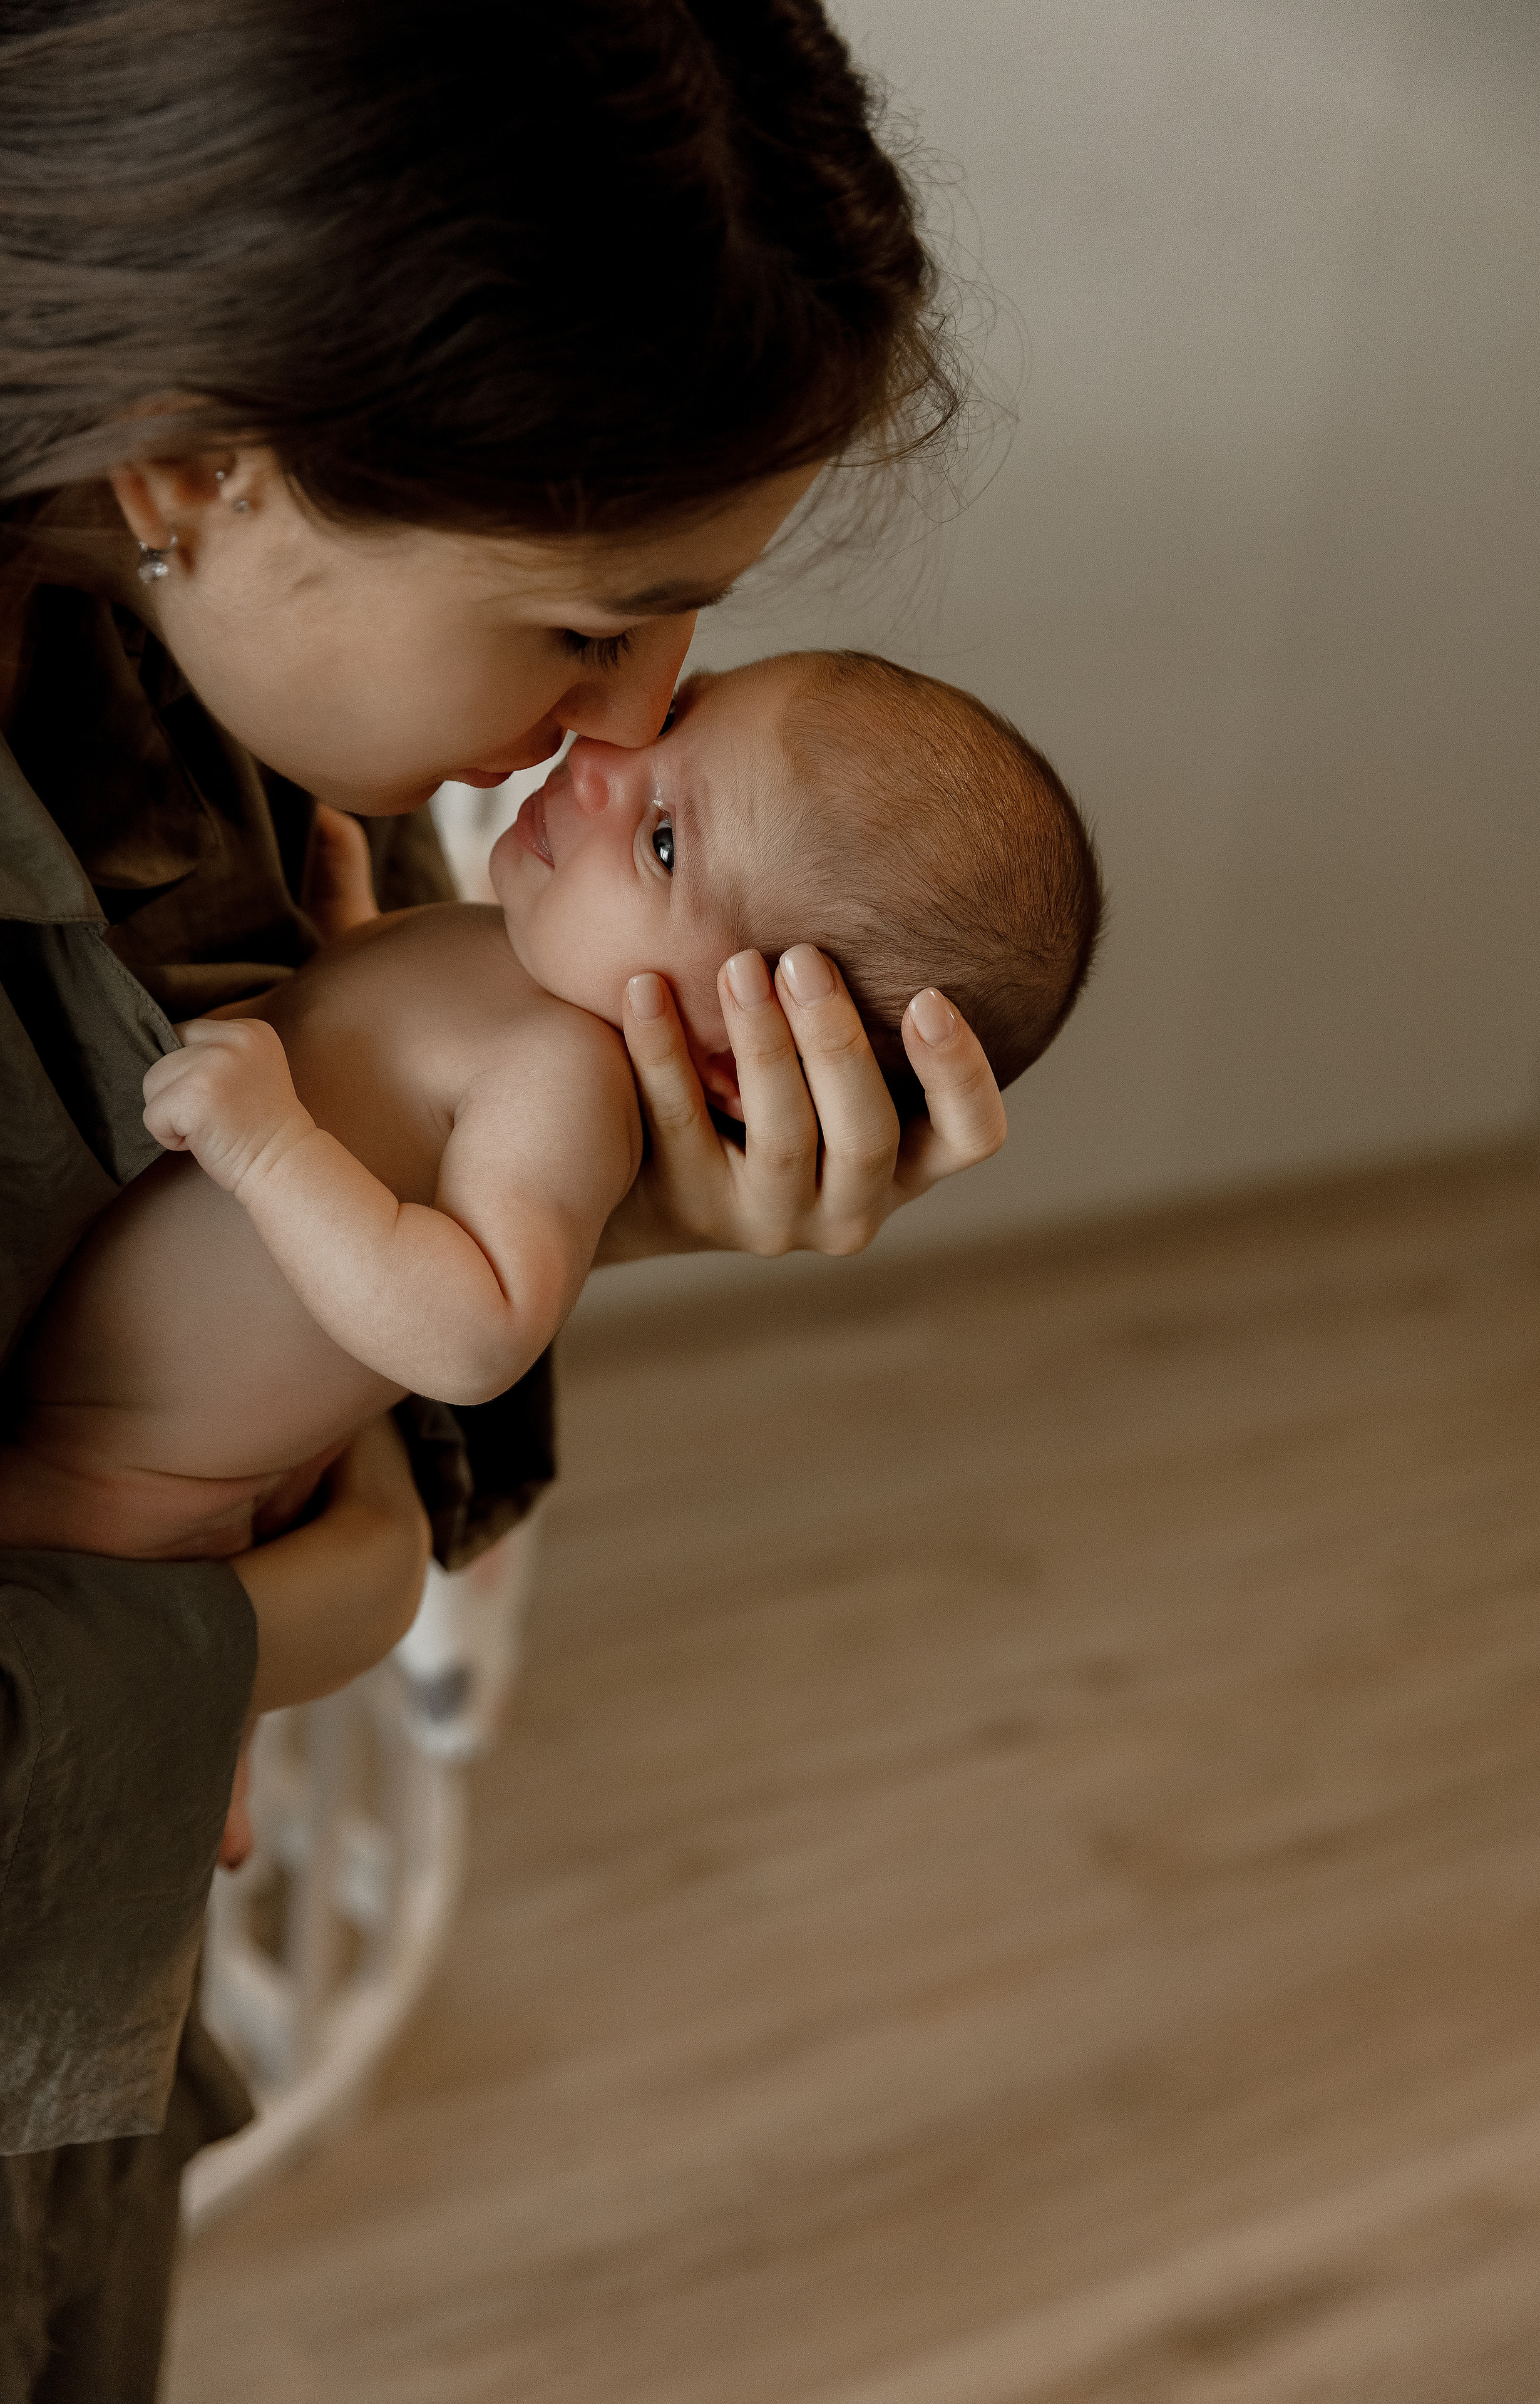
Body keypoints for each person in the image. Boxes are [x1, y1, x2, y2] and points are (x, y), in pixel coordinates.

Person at [0, 4, 1007, 2395]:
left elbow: (369, 1353)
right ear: (198, 466)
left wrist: (598, 1228)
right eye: (588, 621)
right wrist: (291, 1621)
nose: (644, 721)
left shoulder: (190, 701)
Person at [1, 649, 1103, 1651]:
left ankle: (187, 1710)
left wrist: (270, 1150)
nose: (598, 772)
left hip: (120, 1489)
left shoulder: (564, 1081)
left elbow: (476, 1334)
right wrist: (341, 938)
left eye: (664, 842)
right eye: (674, 717)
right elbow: (390, 1097)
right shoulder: (524, 961)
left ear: (740, 1056)